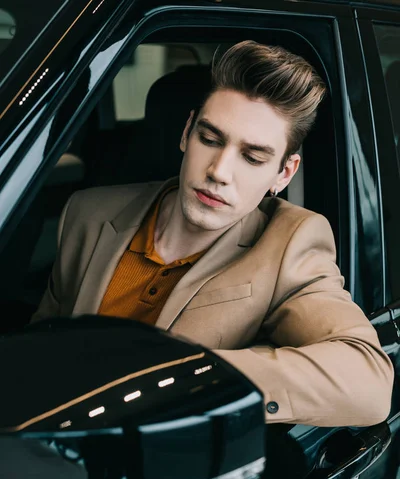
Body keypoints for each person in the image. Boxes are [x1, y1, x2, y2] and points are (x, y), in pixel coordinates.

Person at [31, 41, 394, 426]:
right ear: (187, 133)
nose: (219, 171)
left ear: (284, 174)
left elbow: (368, 379)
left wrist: (186, 378)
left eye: (253, 158)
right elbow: (38, 348)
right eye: (210, 139)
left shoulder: (290, 244)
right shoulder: (87, 213)